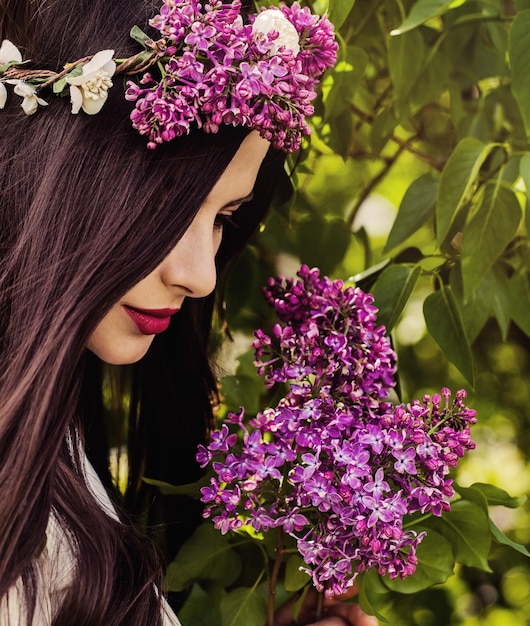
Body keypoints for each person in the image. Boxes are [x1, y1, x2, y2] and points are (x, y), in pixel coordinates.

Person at [0, 0, 378, 624]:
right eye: (172, 202)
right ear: (59, 166)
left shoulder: (51, 454)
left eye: (224, 219)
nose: (201, 277)